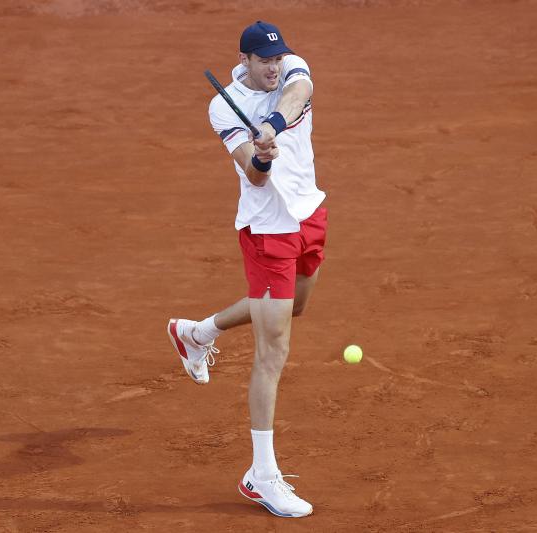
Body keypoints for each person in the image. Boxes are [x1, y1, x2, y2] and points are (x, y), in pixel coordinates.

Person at [167, 20, 327, 518]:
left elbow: (298, 92)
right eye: (264, 61)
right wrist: (260, 156)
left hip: (310, 214)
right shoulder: (222, 105)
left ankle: (197, 333)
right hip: (267, 232)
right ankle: (261, 476)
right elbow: (254, 180)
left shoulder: (292, 72)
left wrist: (272, 128)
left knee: (294, 309)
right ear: (245, 60)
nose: (274, 67)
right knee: (273, 348)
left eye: (277, 58)